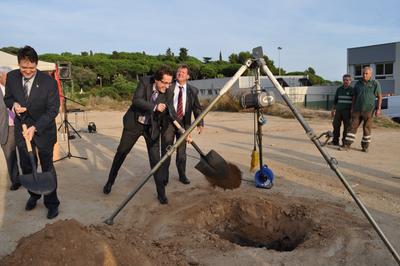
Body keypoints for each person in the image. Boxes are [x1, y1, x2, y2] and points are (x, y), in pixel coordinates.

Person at [103, 66, 173, 204]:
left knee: (155, 160)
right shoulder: (145, 82)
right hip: (134, 125)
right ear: (156, 80)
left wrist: (183, 130)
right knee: (121, 153)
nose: (167, 86)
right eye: (164, 82)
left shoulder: (169, 92)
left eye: (169, 83)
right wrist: (154, 107)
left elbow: (171, 112)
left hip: (151, 128)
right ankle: (110, 182)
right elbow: (136, 100)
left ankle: (161, 193)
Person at [4, 46, 60, 219]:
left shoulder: (48, 82)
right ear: (19, 64)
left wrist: (35, 127)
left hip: (43, 130)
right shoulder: (12, 77)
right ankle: (34, 195)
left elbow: (53, 110)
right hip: (22, 130)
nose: (27, 71)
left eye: (31, 68)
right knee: (28, 166)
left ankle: (52, 202)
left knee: (47, 166)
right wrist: (14, 105)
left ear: (36, 64)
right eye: (24, 68)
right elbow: (8, 98)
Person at [161, 64, 203, 186]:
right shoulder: (169, 87)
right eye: (178, 71)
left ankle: (182, 175)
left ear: (188, 76)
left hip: (184, 124)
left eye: (183, 72)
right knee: (167, 150)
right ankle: (164, 176)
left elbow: (197, 108)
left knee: (182, 152)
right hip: (169, 123)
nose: (180, 73)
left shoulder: (193, 90)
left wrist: (200, 123)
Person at [343, 66, 382, 152]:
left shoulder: (375, 83)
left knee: (367, 128)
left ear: (370, 74)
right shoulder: (358, 83)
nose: (364, 75)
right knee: (352, 127)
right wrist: (352, 108)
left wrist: (378, 109)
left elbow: (379, 96)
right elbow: (354, 96)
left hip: (369, 110)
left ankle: (365, 147)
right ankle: (347, 145)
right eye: (363, 73)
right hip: (357, 110)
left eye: (366, 73)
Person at [0, 66, 20, 191]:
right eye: (8, 76)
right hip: (6, 127)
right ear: (1, 76)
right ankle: (16, 180)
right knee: (10, 156)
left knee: (25, 153)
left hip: (20, 125)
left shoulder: (16, 88)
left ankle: (29, 177)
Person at [328, 74, 353, 146]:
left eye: (347, 80)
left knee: (346, 128)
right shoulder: (339, 89)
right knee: (336, 126)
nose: (346, 81)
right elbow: (335, 101)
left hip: (347, 112)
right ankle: (335, 141)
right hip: (338, 111)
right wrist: (333, 110)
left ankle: (344, 143)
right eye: (344, 80)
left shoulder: (352, 90)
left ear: (350, 81)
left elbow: (354, 102)